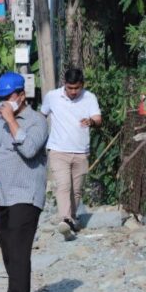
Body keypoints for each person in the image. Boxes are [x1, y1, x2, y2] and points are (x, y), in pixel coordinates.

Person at [0, 72, 49, 292]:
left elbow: (29, 149)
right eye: (0, 98)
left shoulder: (36, 121)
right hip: (2, 196)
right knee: (9, 252)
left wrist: (11, 120)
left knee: (19, 252)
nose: (3, 103)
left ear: (21, 95)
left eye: (7, 97)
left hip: (26, 195)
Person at [41, 68, 102, 240]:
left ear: (82, 85)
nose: (74, 92)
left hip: (81, 152)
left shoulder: (89, 97)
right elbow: (41, 115)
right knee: (63, 186)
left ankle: (72, 220)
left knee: (76, 190)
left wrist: (91, 121)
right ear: (64, 84)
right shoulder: (52, 96)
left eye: (77, 88)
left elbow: (98, 119)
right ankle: (65, 219)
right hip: (58, 151)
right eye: (70, 88)